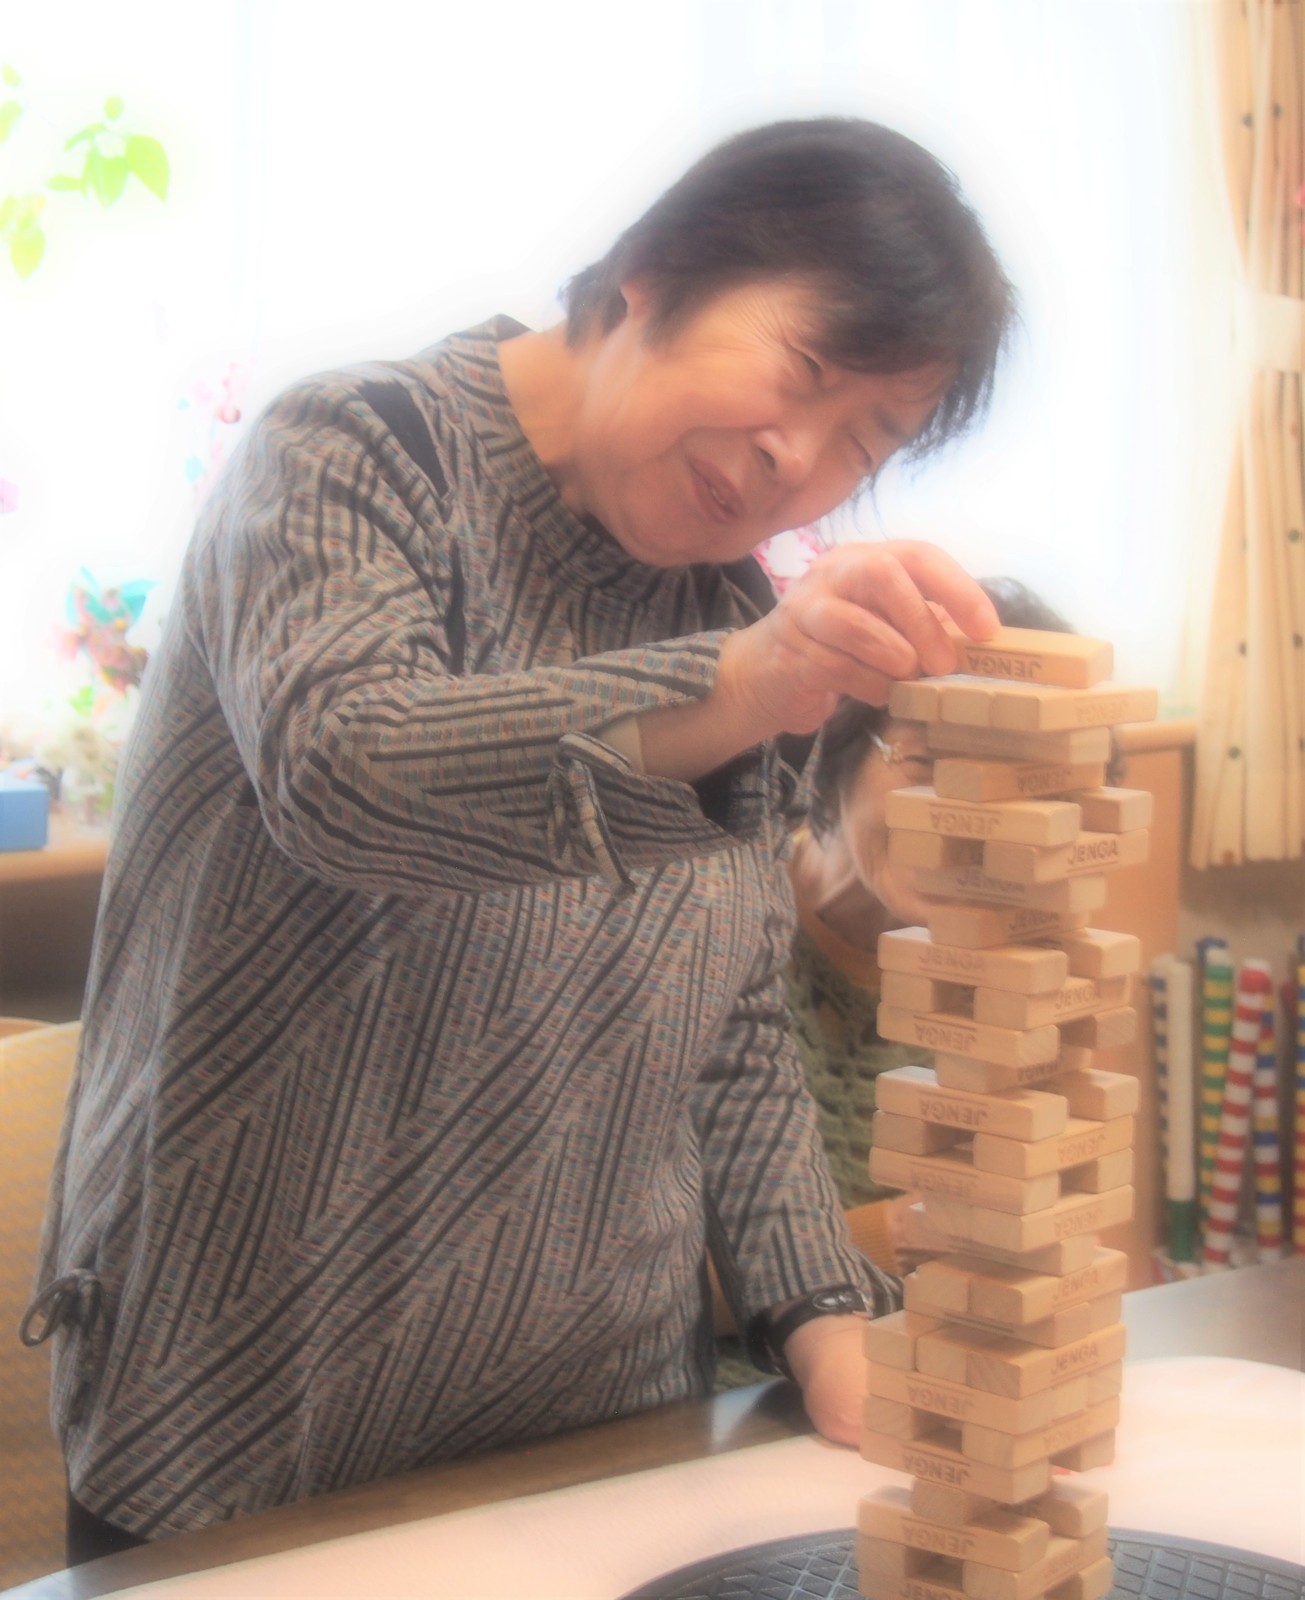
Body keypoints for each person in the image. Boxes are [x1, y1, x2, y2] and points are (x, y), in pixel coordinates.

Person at [24, 117, 1016, 1556]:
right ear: (651, 273)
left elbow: (728, 1021)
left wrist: (818, 1312)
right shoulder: (351, 456)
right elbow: (346, 771)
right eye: (806, 369)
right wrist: (737, 689)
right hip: (253, 1411)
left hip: (601, 1434)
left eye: (867, 438)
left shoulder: (731, 616)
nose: (798, 456)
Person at [785, 578, 1076, 1273]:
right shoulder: (717, 930)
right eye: (925, 762)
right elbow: (638, 1283)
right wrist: (886, 1236)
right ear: (840, 746)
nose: (961, 821)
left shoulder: (1012, 978)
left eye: (1012, 792)